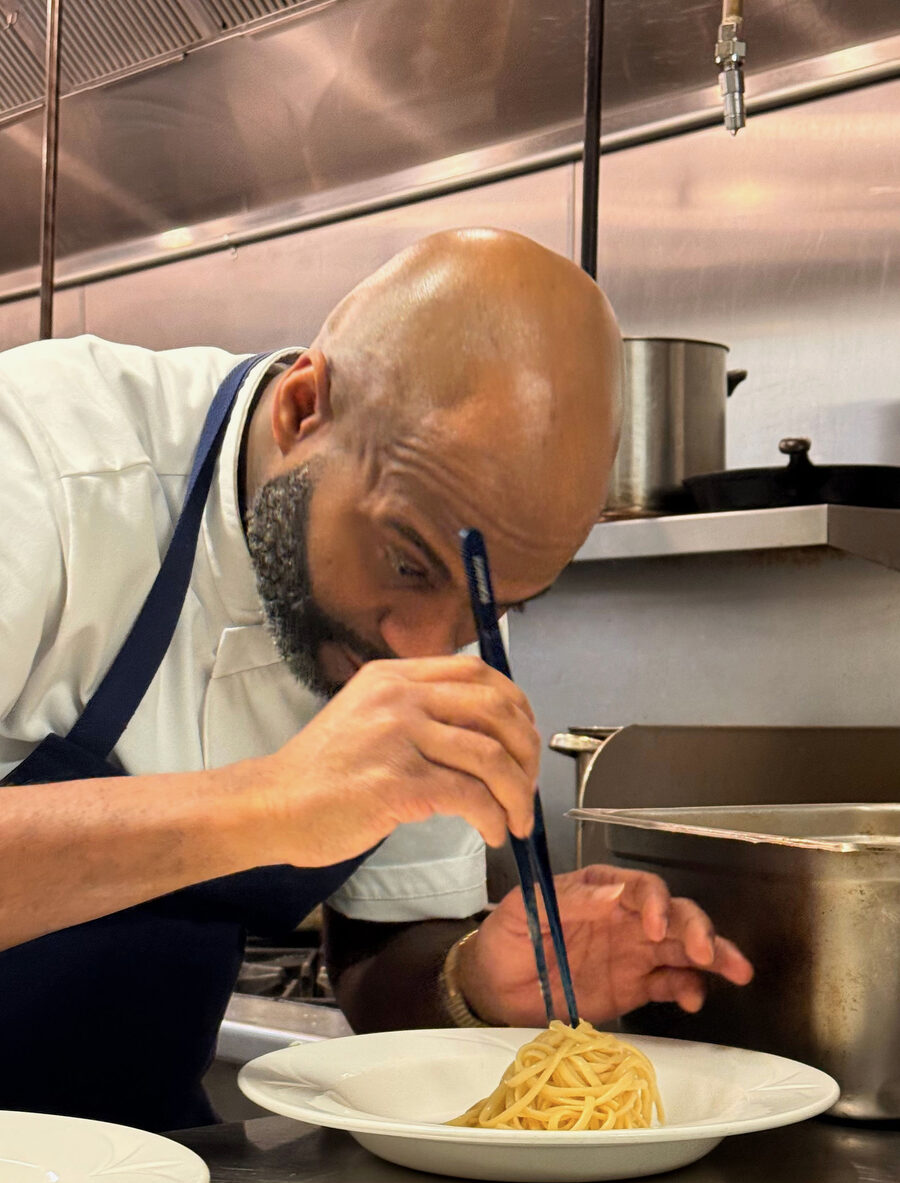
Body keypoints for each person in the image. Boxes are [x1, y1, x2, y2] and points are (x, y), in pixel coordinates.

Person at [0, 228, 752, 1130]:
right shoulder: (43, 468)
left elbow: (383, 962)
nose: (424, 646)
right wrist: (269, 803)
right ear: (305, 408)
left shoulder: (436, 625)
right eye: (405, 563)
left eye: (495, 608)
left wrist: (475, 975)